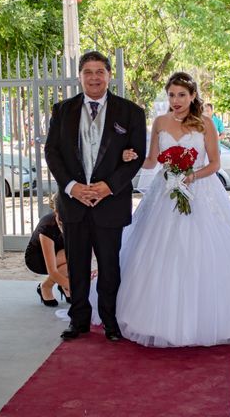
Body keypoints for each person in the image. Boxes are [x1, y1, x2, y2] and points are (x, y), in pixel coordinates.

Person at [116, 72, 230, 347]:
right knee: (161, 251)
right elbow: (152, 161)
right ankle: (156, 318)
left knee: (205, 251)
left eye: (181, 95)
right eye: (171, 95)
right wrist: (133, 157)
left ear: (193, 96)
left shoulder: (205, 124)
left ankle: (213, 319)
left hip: (201, 192)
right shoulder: (160, 122)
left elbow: (214, 164)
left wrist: (191, 177)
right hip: (165, 194)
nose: (176, 101)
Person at [44, 51, 146, 342]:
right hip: (74, 203)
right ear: (79, 76)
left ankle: (111, 322)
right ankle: (79, 321)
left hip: (110, 203)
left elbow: (135, 156)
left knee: (109, 266)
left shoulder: (130, 112)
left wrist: (108, 187)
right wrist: (71, 187)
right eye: (87, 72)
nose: (94, 77)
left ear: (109, 75)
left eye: (99, 71)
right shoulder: (62, 110)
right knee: (76, 265)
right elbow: (52, 152)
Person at [24, 194, 70, 307]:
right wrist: (77, 287)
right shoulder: (47, 227)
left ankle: (63, 285)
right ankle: (46, 287)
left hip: (62, 254)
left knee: (76, 257)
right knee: (72, 258)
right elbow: (52, 271)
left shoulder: (78, 221)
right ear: (56, 212)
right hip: (37, 258)